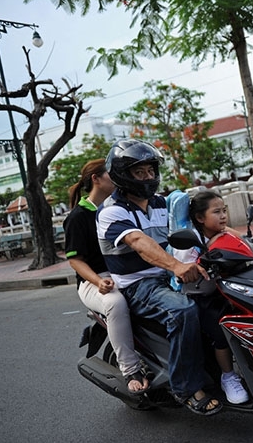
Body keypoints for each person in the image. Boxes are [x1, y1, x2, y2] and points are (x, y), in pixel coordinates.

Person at [96, 139, 222, 416]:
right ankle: (185, 387)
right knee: (184, 310)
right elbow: (140, 242)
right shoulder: (112, 211)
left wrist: (240, 241)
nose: (148, 177)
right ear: (122, 174)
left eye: (150, 171)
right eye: (139, 172)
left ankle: (226, 372)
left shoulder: (162, 203)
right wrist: (175, 266)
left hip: (168, 276)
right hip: (139, 285)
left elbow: (204, 220)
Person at [63, 158, 150, 394]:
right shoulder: (78, 217)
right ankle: (130, 368)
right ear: (96, 179)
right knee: (115, 302)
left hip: (128, 272)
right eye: (112, 175)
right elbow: (75, 260)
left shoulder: (123, 206)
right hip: (97, 280)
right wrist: (98, 281)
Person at [172, 190, 250, 405]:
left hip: (225, 289)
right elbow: (186, 269)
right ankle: (228, 376)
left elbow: (237, 239)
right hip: (200, 296)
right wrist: (197, 264)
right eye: (216, 212)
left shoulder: (219, 231)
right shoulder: (189, 240)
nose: (223, 216)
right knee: (220, 329)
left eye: (224, 210)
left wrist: (250, 241)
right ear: (200, 218)